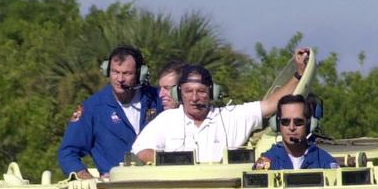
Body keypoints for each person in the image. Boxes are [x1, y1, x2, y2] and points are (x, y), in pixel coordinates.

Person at [131, 48, 309, 164]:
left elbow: (271, 104)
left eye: (200, 91)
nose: (194, 98)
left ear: (212, 93)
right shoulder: (166, 120)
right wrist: (168, 161)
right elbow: (140, 150)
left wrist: (299, 74)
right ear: (179, 94)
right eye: (188, 91)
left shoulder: (231, 117)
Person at [58, 45, 163, 179]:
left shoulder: (157, 99)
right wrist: (88, 179)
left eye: (126, 73)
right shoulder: (92, 108)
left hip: (157, 183)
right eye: (115, 72)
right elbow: (67, 152)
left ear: (140, 74)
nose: (119, 79)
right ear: (107, 70)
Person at [257, 94, 339, 169]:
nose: (292, 127)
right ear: (278, 125)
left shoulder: (325, 162)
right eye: (285, 122)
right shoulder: (267, 163)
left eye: (298, 122)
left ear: (309, 124)